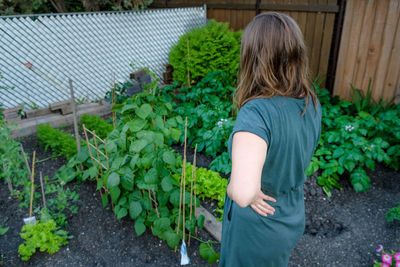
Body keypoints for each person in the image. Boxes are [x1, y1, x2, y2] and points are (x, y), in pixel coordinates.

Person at [219, 12, 322, 267]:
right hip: (289, 215)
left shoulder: (257, 113)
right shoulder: (310, 102)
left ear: (253, 57)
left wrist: (237, 189)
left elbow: (243, 193)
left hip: (257, 230)